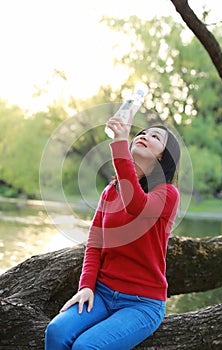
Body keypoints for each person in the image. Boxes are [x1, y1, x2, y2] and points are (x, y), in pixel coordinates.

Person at [45, 115, 181, 350]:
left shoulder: (167, 194)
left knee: (86, 347)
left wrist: (119, 144)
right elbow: (95, 242)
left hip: (142, 303)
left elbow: (136, 205)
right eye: (142, 133)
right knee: (56, 332)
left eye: (155, 136)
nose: (144, 136)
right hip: (103, 293)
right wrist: (86, 286)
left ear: (163, 157)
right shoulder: (110, 192)